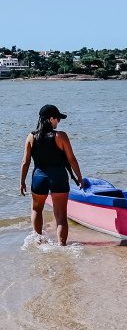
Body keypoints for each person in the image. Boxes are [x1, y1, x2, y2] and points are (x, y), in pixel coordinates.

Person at [19, 104, 83, 246]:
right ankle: (61, 246)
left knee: (36, 209)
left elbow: (25, 162)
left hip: (39, 178)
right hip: (59, 177)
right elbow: (71, 159)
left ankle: (39, 242)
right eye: (58, 119)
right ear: (50, 119)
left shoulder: (31, 137)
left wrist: (22, 181)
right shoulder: (61, 136)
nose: (58, 122)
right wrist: (79, 176)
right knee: (61, 216)